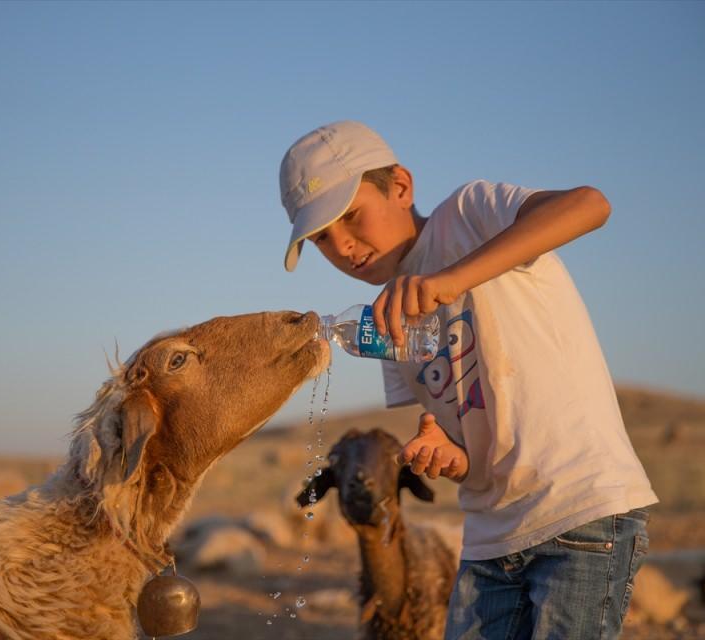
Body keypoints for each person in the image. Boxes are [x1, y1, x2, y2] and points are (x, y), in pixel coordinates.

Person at [277, 120, 657, 640]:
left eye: (351, 217)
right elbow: (463, 444)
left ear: (401, 186)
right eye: (322, 238)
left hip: (579, 513)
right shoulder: (389, 322)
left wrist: (450, 279)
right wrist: (448, 454)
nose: (343, 246)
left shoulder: (470, 214)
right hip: (488, 540)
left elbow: (590, 204)